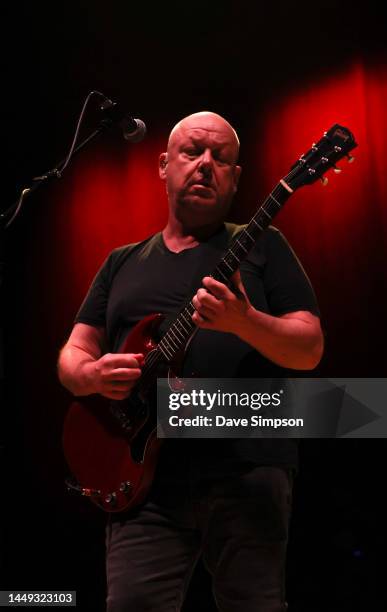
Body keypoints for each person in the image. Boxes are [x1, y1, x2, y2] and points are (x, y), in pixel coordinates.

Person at [58, 111, 323, 612]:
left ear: (236, 176)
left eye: (221, 158)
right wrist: (92, 374)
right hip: (143, 482)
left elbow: (309, 348)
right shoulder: (121, 262)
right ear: (163, 165)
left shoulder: (264, 245)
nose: (206, 164)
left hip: (247, 469)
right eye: (192, 151)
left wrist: (245, 321)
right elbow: (72, 354)